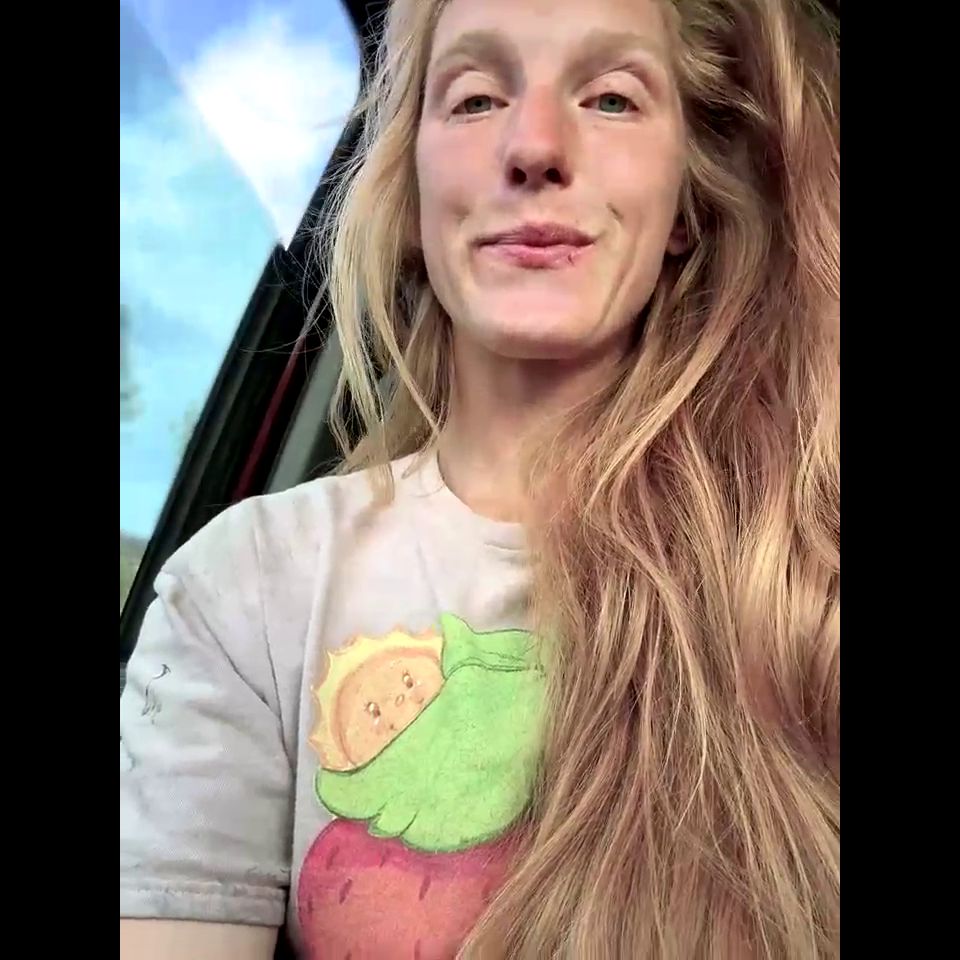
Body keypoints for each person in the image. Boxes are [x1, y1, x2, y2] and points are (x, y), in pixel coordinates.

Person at [119, 0, 840, 956]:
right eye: (475, 99)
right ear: (414, 192)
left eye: (611, 99)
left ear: (685, 200)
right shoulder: (247, 585)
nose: (534, 146)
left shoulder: (806, 577)